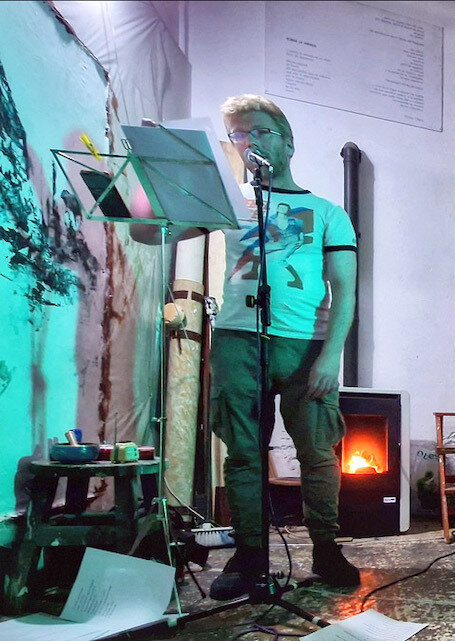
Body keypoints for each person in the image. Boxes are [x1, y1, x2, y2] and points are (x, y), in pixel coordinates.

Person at [134, 94, 360, 599]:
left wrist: (331, 355)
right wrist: (160, 173)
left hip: (305, 345)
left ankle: (325, 548)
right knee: (243, 452)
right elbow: (150, 234)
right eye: (239, 134)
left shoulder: (326, 211)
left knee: (318, 452)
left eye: (259, 131)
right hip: (238, 338)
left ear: (288, 141)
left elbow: (345, 290)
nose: (249, 141)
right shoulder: (227, 200)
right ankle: (251, 552)